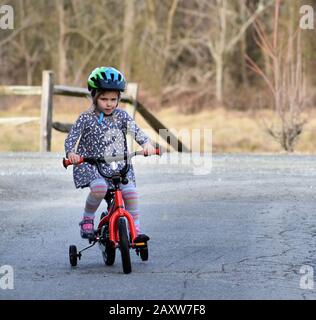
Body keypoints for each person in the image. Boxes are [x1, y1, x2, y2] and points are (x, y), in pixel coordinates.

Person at [64, 66, 156, 242]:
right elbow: (71, 138)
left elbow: (136, 131)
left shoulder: (122, 116)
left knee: (131, 193)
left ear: (119, 98)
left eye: (113, 99)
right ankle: (87, 219)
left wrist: (147, 144)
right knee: (99, 188)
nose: (109, 103)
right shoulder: (86, 117)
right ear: (94, 97)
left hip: (119, 165)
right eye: (104, 99)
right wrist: (71, 153)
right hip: (93, 165)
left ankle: (135, 231)